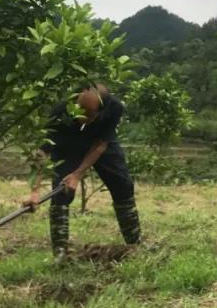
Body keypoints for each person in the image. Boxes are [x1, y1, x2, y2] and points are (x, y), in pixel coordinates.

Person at [24, 84, 141, 262]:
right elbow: (42, 151)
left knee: (123, 186)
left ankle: (135, 244)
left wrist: (78, 174)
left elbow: (101, 145)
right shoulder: (61, 112)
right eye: (79, 108)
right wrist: (34, 191)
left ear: (101, 112)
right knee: (61, 193)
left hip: (100, 145)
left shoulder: (115, 108)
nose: (80, 115)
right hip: (68, 146)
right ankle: (61, 254)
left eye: (88, 113)